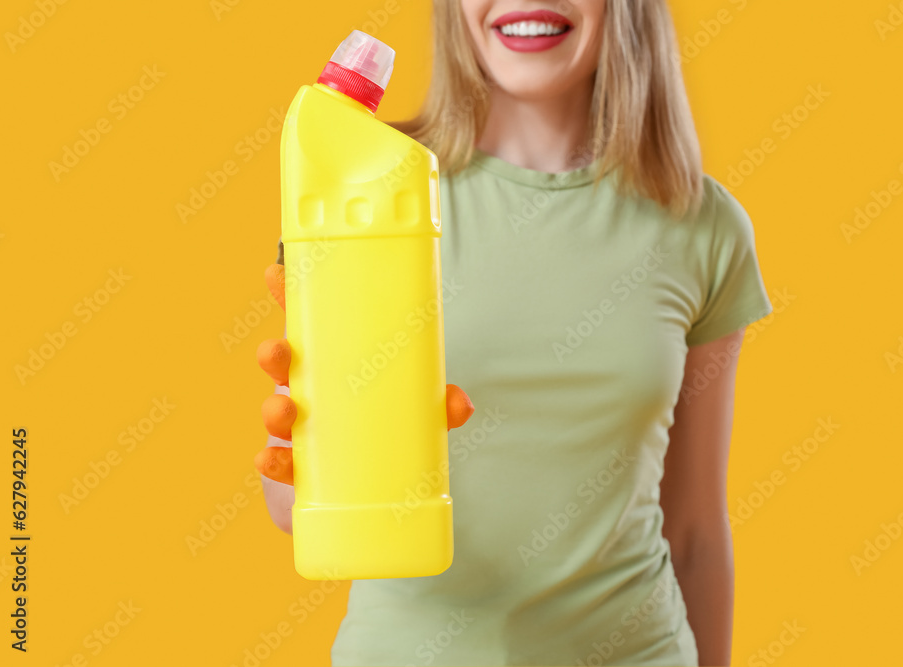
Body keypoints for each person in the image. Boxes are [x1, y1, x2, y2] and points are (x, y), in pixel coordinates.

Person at [255, 0, 775, 665]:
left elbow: (697, 529)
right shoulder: (372, 196)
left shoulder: (701, 224)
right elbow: (295, 508)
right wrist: (304, 451)